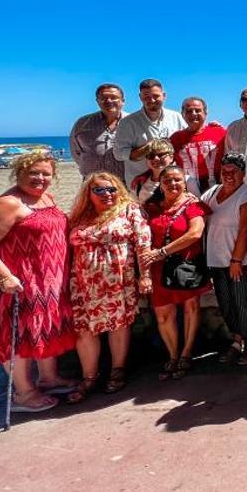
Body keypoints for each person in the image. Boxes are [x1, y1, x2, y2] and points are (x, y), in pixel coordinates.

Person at [0, 152, 76, 412]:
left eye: (45, 173)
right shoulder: (8, 203)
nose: (40, 178)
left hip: (46, 279)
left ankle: (49, 378)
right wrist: (5, 277)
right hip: (15, 281)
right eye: (33, 173)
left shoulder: (45, 197)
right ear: (19, 174)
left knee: (43, 328)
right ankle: (23, 393)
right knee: (18, 335)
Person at [65, 172, 152, 403]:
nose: (107, 194)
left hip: (117, 282)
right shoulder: (80, 216)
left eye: (112, 189)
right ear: (88, 194)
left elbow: (144, 244)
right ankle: (89, 377)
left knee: (118, 325)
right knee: (84, 329)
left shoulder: (129, 210)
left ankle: (117, 370)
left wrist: (145, 276)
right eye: (100, 190)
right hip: (83, 284)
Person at [140, 165, 209, 381]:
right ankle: (172, 354)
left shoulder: (193, 205)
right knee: (163, 315)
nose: (173, 184)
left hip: (185, 265)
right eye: (168, 180)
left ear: (184, 182)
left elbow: (195, 233)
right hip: (158, 268)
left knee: (191, 309)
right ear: (160, 183)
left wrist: (162, 252)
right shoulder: (151, 207)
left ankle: (186, 354)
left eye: (177, 180)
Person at [201, 154, 247, 366]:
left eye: (233, 172)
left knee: (243, 301)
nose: (228, 176)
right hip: (215, 259)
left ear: (243, 174)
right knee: (226, 303)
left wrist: (236, 260)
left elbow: (246, 229)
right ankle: (237, 341)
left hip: (238, 260)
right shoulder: (212, 192)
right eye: (224, 172)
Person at [113, 78, 188, 186]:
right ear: (140, 98)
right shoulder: (127, 123)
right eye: (146, 97)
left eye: (156, 96)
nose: (152, 100)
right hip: (140, 184)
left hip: (172, 182)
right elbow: (119, 154)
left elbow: (189, 140)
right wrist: (149, 148)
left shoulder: (176, 117)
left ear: (164, 95)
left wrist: (212, 127)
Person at [69, 83, 127, 180]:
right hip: (92, 182)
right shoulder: (83, 123)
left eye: (113, 97)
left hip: (125, 181)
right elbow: (76, 151)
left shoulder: (133, 122)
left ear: (122, 101)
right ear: (97, 101)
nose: (108, 101)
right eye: (103, 98)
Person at [170, 96, 227, 195]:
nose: (193, 114)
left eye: (197, 110)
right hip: (189, 193)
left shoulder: (220, 132)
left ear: (205, 112)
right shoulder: (175, 138)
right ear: (182, 114)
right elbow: (163, 162)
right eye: (189, 111)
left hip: (218, 191)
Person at [128, 138, 178, 206]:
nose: (156, 158)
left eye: (160, 155)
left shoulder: (185, 181)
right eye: (151, 156)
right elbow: (132, 206)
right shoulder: (139, 184)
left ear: (171, 157)